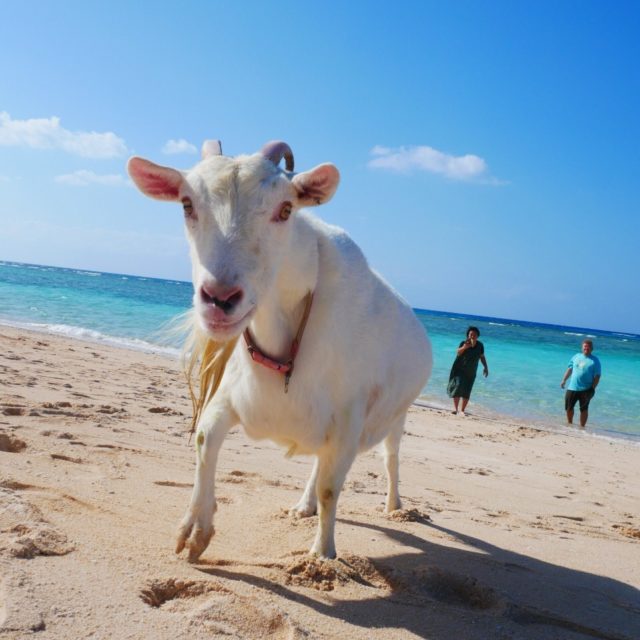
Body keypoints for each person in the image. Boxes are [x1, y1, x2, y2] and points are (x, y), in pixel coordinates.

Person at [447, 326, 489, 416]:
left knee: (467, 390)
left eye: (474, 335)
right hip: (459, 369)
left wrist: (485, 367)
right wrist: (465, 347)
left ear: (478, 336)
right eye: (470, 334)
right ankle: (456, 409)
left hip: (471, 372)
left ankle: (462, 410)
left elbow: (482, 357)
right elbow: (458, 352)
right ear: (468, 335)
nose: (472, 336)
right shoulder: (463, 343)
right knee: (457, 388)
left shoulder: (480, 345)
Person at [560, 339, 601, 427]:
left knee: (584, 409)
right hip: (572, 387)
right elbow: (570, 369)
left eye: (589, 346)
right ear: (582, 348)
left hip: (586, 389)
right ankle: (570, 424)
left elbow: (597, 376)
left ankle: (582, 427)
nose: (587, 348)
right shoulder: (576, 356)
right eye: (585, 346)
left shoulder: (595, 360)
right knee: (568, 407)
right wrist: (564, 380)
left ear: (592, 348)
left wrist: (592, 388)